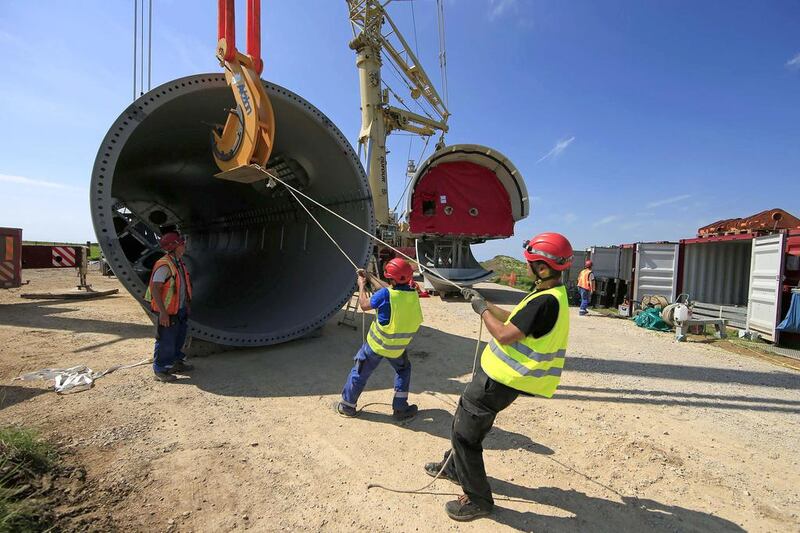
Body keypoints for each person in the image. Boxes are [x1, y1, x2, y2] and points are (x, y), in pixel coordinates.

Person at [423, 232, 573, 522]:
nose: (525, 265)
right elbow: (514, 318)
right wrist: (484, 302)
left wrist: (481, 312)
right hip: (497, 379)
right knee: (462, 424)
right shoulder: (548, 294)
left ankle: (478, 499)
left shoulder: (545, 302)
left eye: (530, 262)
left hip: (498, 382)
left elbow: (505, 334)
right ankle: (455, 468)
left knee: (465, 436)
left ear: (543, 268)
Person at [336, 258, 423, 421]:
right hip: (397, 347)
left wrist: (361, 284)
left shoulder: (385, 295)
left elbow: (364, 304)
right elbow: (389, 288)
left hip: (376, 345)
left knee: (360, 372)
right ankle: (400, 408)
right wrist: (369, 276)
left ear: (391, 278)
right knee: (403, 370)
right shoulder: (412, 293)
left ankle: (347, 405)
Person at [144, 231, 194, 382]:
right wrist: (163, 313)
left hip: (180, 309)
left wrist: (186, 304)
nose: (184, 246)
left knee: (179, 338)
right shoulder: (164, 266)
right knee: (166, 340)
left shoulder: (178, 263)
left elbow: (182, 286)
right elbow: (155, 288)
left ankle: (176, 362)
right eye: (181, 244)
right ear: (173, 247)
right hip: (169, 311)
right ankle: (161, 370)